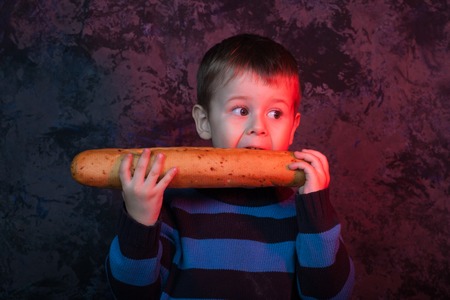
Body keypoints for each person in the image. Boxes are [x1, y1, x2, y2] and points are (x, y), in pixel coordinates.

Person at [106, 33, 354, 299]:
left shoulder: (303, 213)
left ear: (293, 127)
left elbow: (330, 294)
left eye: (275, 114)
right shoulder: (171, 205)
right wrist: (140, 219)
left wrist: (317, 216)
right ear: (205, 121)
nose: (258, 128)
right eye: (241, 110)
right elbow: (132, 293)